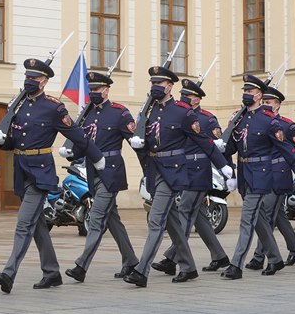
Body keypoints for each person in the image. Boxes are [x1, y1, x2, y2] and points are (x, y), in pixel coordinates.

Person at [0, 58, 104, 293]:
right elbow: (13, 139)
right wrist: (2, 141)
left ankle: (9, 272)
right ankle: (51, 273)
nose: (29, 81)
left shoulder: (54, 107)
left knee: (23, 222)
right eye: (27, 77)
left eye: (34, 78)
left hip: (41, 170)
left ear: (44, 81)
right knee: (37, 223)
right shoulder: (18, 104)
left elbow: (77, 134)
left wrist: (97, 157)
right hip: (21, 169)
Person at [124, 66, 232, 287]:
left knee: (156, 220)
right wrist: (136, 143)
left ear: (170, 86)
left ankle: (141, 271)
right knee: (173, 221)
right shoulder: (148, 111)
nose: (155, 87)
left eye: (160, 84)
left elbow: (204, 141)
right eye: (153, 83)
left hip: (173, 171)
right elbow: (144, 143)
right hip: (155, 170)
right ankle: (188, 267)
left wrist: (224, 166)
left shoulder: (183, 112)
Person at [221, 75, 295, 280]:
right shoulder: (239, 119)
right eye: (244, 91)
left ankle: (236, 265)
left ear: (259, 95)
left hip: (262, 175)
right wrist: (228, 167)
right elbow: (232, 148)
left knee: (247, 219)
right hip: (244, 174)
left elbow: (287, 149)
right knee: (260, 219)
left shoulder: (269, 120)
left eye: (250, 92)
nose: (246, 95)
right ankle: (275, 258)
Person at [150, 78, 232, 278]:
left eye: (188, 96)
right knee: (199, 216)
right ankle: (219, 256)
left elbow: (217, 148)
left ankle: (172, 258)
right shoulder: (175, 114)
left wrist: (228, 170)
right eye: (182, 95)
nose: (184, 98)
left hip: (197, 170)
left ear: (197, 99)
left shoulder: (206, 119)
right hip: (181, 169)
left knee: (185, 210)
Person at [63, 71, 139, 282]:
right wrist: (71, 153)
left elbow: (136, 142)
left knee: (96, 218)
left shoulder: (119, 113)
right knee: (113, 219)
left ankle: (81, 266)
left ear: (106, 90)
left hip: (111, 172)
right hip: (92, 171)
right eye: (91, 90)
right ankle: (132, 261)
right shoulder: (87, 114)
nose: (92, 93)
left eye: (96, 90)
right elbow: (84, 143)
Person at [244, 86, 295, 270]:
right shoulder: (257, 121)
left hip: (278, 175)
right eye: (264, 102)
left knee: (265, 215)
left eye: (269, 103)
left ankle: (259, 257)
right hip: (263, 174)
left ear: (278, 106)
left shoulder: (287, 125)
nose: (265, 105)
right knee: (278, 216)